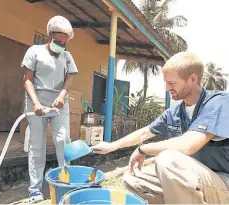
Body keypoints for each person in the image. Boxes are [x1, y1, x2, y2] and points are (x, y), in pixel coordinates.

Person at [92, 51, 229, 204]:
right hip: (195, 179)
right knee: (133, 179)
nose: (166, 88)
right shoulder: (177, 111)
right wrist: (112, 146)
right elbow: (144, 133)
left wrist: (143, 149)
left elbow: (188, 145)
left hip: (223, 181)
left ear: (192, 79)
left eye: (172, 83)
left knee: (168, 160)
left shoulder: (219, 102)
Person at [21, 16, 78, 203]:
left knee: (63, 140)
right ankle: (35, 189)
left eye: (65, 42)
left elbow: (69, 79)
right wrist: (36, 103)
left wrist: (62, 96)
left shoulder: (67, 57)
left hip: (59, 104)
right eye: (58, 40)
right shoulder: (34, 51)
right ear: (50, 36)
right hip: (36, 103)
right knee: (37, 145)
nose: (61, 44)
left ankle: (66, 182)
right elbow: (27, 79)